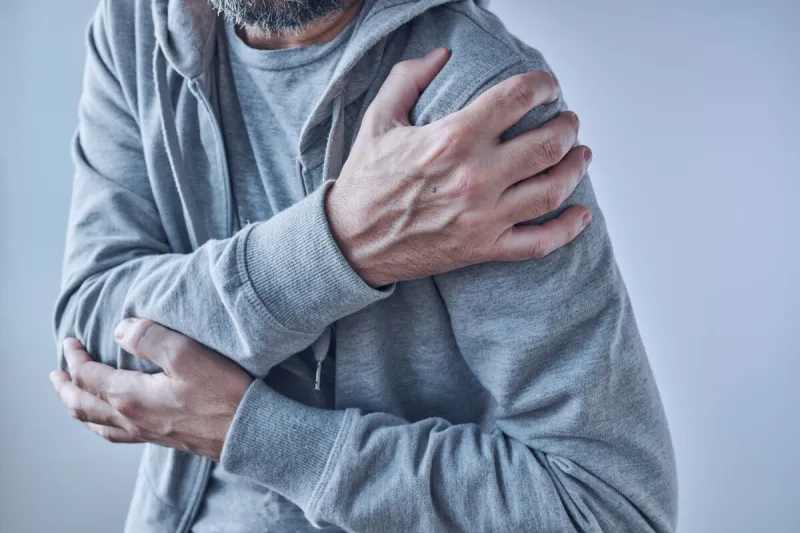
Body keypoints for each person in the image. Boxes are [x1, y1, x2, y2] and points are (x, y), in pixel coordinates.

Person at [50, 0, 678, 531]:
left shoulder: (470, 104)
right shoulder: (141, 22)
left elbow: (606, 506)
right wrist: (337, 244)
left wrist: (255, 434)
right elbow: (90, 347)